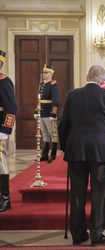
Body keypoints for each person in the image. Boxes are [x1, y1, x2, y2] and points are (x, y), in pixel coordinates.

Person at [58, 65, 105, 245]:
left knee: (77, 194)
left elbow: (63, 124)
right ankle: (97, 234)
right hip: (99, 150)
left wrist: (65, 147)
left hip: (76, 150)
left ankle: (78, 235)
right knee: (99, 193)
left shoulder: (73, 95)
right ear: (102, 80)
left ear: (87, 76)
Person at [0, 50, 17, 212]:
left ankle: (5, 198)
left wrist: (5, 129)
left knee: (0, 163)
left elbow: (11, 107)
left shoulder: (4, 81)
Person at [35, 64, 60, 163]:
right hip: (42, 112)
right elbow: (39, 99)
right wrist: (36, 111)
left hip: (49, 113)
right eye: (43, 73)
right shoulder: (42, 85)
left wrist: (53, 114)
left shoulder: (54, 85)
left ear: (51, 74)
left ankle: (53, 156)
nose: (44, 74)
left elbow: (56, 101)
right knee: (45, 135)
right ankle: (44, 155)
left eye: (46, 73)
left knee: (53, 135)